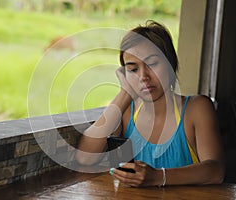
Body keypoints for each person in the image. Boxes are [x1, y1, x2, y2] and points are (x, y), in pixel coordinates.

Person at [75, 20, 225, 187]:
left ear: (170, 64)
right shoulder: (127, 112)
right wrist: (125, 94)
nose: (143, 76)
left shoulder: (196, 108)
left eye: (152, 64)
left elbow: (216, 171)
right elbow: (85, 157)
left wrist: (157, 177)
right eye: (133, 69)